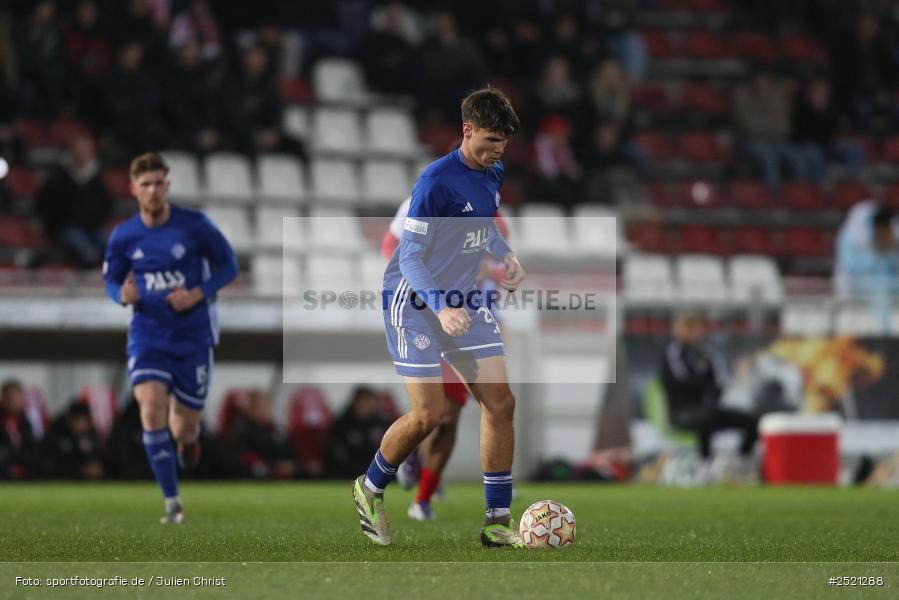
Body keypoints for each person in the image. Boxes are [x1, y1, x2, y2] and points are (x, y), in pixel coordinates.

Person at [353, 87, 525, 548]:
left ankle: (496, 522)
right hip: (413, 303)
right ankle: (369, 487)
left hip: (462, 300)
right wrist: (441, 308)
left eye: (504, 143)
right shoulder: (434, 182)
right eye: (491, 140)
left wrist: (506, 255)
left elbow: (484, 228)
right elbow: (408, 256)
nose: (498, 150)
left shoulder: (493, 172)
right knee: (431, 414)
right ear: (467, 131)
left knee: (501, 403)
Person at [102, 152, 238, 523]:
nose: (152, 190)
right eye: (145, 184)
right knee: (150, 408)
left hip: (193, 337)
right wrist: (121, 295)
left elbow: (229, 265)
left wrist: (197, 294)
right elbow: (111, 279)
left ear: (168, 185)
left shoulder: (194, 225)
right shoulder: (125, 235)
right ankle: (172, 502)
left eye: (158, 183)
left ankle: (189, 444)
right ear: (133, 189)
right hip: (148, 334)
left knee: (185, 427)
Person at [381, 196, 510, 521]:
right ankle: (406, 458)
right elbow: (392, 248)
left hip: (469, 324)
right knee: (432, 414)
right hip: (431, 319)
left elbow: (499, 270)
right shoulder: (423, 201)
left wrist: (491, 279)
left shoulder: (495, 219)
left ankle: (422, 499)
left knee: (452, 414)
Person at [660, 312, 758, 461]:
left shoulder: (705, 352)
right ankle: (705, 462)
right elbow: (680, 381)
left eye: (696, 328)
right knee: (705, 419)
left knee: (752, 421)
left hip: (711, 409)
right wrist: (704, 384)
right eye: (689, 328)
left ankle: (741, 460)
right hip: (682, 413)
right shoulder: (673, 352)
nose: (695, 333)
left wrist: (737, 375)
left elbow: (719, 382)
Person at [35, 133, 112, 267]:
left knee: (112, 247)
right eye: (80, 148)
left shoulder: (97, 179)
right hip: (65, 229)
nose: (84, 152)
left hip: (93, 229)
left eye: (87, 149)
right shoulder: (59, 178)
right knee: (87, 251)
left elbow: (107, 206)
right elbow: (46, 206)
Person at [326, 386, 393, 479]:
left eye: (368, 401)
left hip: (378, 471)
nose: (364, 406)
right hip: (349, 473)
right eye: (362, 401)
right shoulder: (343, 424)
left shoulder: (382, 424)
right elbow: (337, 453)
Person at [39, 401, 104, 480]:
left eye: (85, 422)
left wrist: (95, 467)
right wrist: (80, 470)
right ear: (70, 419)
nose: (82, 425)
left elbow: (94, 455)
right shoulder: (55, 435)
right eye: (79, 421)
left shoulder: (90, 435)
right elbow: (49, 464)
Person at [0, 379, 39, 479]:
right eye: (9, 399)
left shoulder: (27, 422)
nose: (12, 403)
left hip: (24, 463)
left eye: (15, 399)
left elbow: (30, 447)